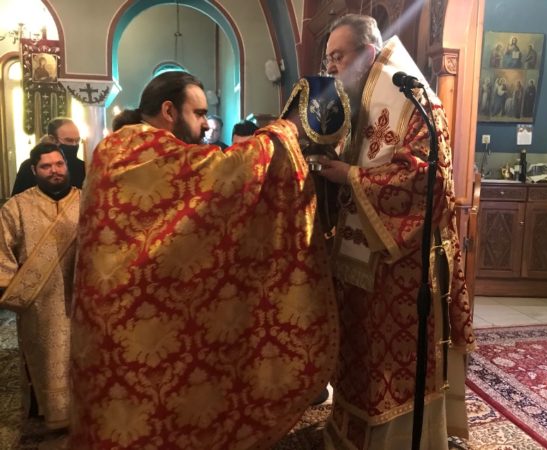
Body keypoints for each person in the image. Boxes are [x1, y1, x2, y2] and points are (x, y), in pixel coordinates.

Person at [69, 71, 346, 449]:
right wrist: (283, 132)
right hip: (131, 323)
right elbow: (224, 172)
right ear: (169, 110)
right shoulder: (144, 150)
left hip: (120, 323)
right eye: (198, 113)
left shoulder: (113, 149)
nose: (205, 124)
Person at [318, 14, 474, 449]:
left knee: (394, 364)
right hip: (362, 259)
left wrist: (350, 176)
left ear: (368, 53)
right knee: (360, 355)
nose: (331, 67)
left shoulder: (415, 100)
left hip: (402, 266)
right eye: (328, 58)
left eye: (338, 56)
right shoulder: (359, 101)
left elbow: (427, 182)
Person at [0, 142, 80, 432]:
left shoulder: (87, 201)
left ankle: (84, 413)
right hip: (39, 304)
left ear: (66, 166)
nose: (54, 171)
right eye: (46, 166)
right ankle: (46, 413)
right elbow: (2, 252)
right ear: (34, 170)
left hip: (81, 301)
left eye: (59, 164)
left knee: (80, 358)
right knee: (43, 360)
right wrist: (15, 291)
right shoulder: (17, 207)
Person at [12, 117, 85, 195]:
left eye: (77, 140)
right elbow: (18, 199)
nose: (74, 145)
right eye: (69, 140)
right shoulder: (29, 166)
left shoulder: (83, 167)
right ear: (52, 139)